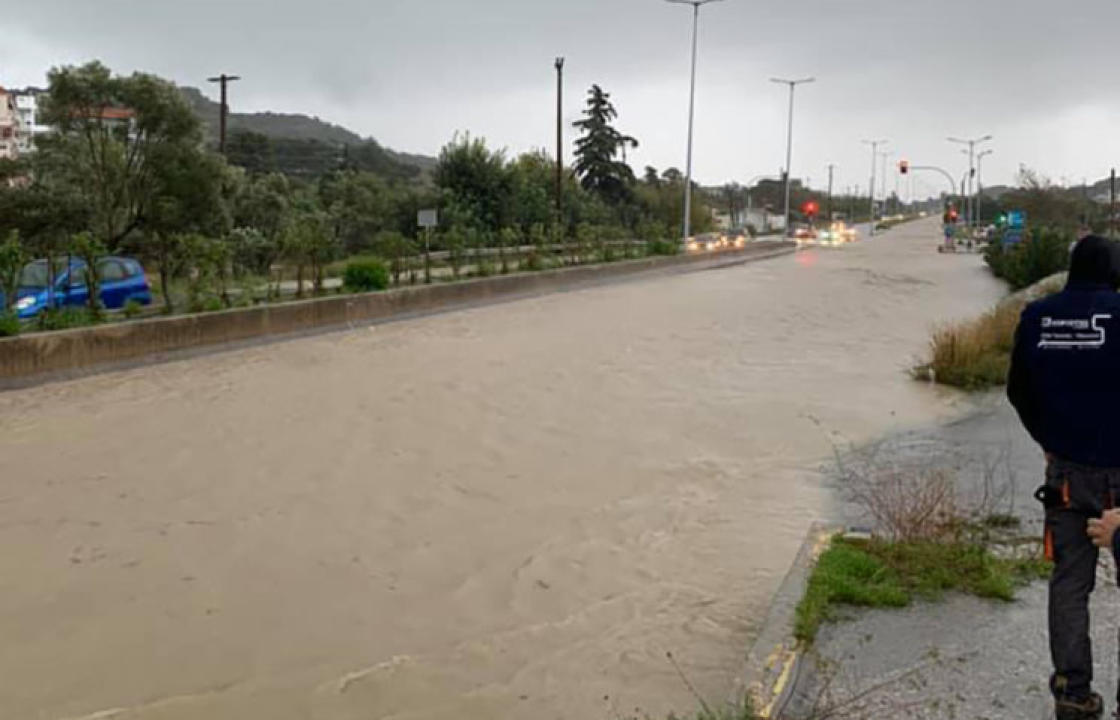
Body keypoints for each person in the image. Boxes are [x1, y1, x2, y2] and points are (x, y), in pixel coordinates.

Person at [1009, 235, 1120, 720]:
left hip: (1065, 473)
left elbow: (1018, 390)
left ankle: (1073, 695)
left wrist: (1048, 439)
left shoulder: (1037, 316)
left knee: (1070, 583)